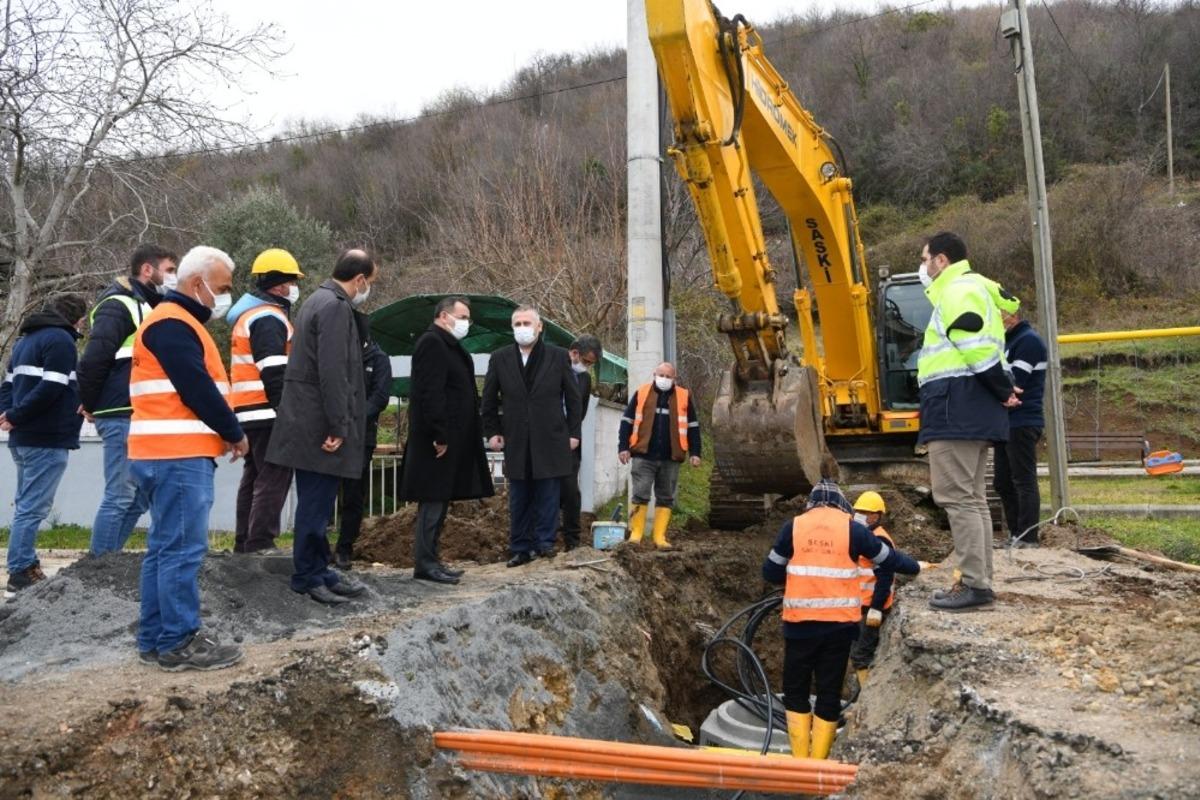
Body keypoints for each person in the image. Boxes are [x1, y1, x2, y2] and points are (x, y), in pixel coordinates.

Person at [127, 246, 248, 671]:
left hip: (163, 454)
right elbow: (197, 390)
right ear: (197, 285)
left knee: (164, 549)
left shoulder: (169, 321)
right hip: (176, 456)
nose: (226, 296)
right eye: (223, 289)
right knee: (181, 551)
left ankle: (156, 640)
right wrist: (234, 433)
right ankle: (178, 642)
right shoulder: (175, 324)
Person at [762, 481, 919, 760]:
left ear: (811, 504)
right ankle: (818, 765)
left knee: (796, 692)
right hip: (838, 628)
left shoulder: (793, 527)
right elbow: (888, 559)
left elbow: (771, 572)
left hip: (800, 626)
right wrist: (917, 567)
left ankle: (800, 763)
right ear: (841, 505)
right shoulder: (853, 530)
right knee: (829, 693)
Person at [916, 232, 1020, 613]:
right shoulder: (974, 289)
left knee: (957, 498)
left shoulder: (957, 291)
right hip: (969, 408)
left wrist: (1001, 388)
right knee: (973, 499)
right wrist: (1003, 389)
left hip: (954, 409)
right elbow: (987, 350)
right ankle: (980, 580)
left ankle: (974, 584)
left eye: (926, 259)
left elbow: (975, 348)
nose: (923, 267)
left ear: (941, 260)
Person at [266, 248, 377, 604]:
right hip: (318, 422)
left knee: (320, 499)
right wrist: (338, 424)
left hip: (310, 418)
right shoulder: (334, 307)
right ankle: (307, 575)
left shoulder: (318, 299)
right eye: (369, 282)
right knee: (315, 503)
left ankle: (319, 567)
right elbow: (333, 370)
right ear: (359, 279)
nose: (367, 289)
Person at [77, 244, 178, 555]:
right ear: (147, 270)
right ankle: (96, 571)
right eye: (170, 270)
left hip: (137, 412)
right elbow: (94, 358)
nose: (174, 277)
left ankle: (108, 562)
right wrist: (91, 403)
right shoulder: (118, 305)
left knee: (138, 497)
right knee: (121, 494)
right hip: (120, 411)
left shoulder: (149, 306)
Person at [399, 297, 494, 583]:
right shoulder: (432, 343)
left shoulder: (448, 344)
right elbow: (431, 393)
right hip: (436, 442)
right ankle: (425, 563)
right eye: (462, 316)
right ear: (444, 316)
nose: (467, 323)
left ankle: (433, 560)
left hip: (451, 439)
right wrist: (439, 434)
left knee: (440, 502)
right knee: (432, 500)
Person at [1, 293, 89, 595]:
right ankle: (22, 570)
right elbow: (52, 387)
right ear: (77, 319)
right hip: (46, 437)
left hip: (24, 436)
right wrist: (16, 414)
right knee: (33, 507)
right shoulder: (61, 341)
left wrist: (10, 415)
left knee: (27, 503)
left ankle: (24, 564)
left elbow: (8, 385)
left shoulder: (25, 342)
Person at [480, 305, 581, 567]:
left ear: (540, 327)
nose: (522, 328)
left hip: (551, 436)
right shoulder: (500, 358)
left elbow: (573, 398)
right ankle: (520, 546)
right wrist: (492, 431)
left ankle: (544, 543)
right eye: (518, 324)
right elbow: (488, 399)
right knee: (519, 495)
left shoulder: (558, 357)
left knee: (548, 493)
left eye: (527, 323)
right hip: (516, 437)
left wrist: (573, 432)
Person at [226, 248, 303, 555]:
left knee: (255, 476)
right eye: (293, 281)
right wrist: (287, 411)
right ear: (280, 285)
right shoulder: (269, 317)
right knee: (274, 475)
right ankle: (260, 542)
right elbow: (273, 368)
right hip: (266, 410)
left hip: (248, 410)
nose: (295, 288)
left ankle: (245, 542)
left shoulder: (249, 315)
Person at [617, 362, 702, 549]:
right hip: (643, 454)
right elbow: (627, 421)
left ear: (674, 378)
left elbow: (693, 427)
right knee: (640, 493)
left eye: (668, 376)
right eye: (660, 375)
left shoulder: (683, 396)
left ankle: (659, 537)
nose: (663, 379)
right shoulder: (642, 392)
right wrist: (623, 447)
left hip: (670, 456)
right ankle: (636, 534)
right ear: (654, 374)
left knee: (666, 496)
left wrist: (696, 452)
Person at [335, 309, 393, 569]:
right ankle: (316, 544)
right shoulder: (337, 355)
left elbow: (379, 398)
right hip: (331, 432)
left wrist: (353, 421)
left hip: (361, 437)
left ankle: (345, 547)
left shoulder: (379, 359)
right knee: (324, 492)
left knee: (354, 494)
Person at [995, 299, 1046, 548]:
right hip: (1007, 422)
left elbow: (1016, 382)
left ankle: (1028, 537)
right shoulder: (1009, 341)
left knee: (1023, 480)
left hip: (1023, 420)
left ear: (1011, 316)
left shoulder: (1028, 341)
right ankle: (1016, 533)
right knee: (1003, 481)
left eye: (998, 317)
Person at [847, 491, 896, 687]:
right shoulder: (864, 536)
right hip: (860, 606)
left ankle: (865, 700)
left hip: (871, 608)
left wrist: (876, 607)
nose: (859, 515)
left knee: (861, 655)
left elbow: (885, 576)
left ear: (876, 515)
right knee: (855, 652)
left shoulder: (879, 539)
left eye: (864, 512)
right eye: (857, 511)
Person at [559, 335, 602, 551]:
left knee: (571, 491)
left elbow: (580, 411)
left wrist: (573, 434)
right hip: (548, 438)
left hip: (572, 442)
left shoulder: (584, 379)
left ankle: (572, 540)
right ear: (574, 353)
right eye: (586, 361)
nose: (587, 367)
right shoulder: (554, 369)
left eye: (591, 364)